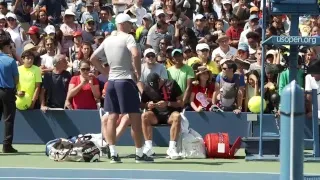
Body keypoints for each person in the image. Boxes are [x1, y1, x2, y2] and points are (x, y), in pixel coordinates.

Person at [90, 13, 152, 163]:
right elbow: (136, 54)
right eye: (129, 23)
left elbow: (92, 58)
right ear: (123, 24)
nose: (131, 26)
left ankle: (113, 153)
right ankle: (139, 154)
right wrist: (137, 73)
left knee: (112, 116)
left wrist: (105, 73)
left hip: (111, 83)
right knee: (134, 117)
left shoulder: (108, 40)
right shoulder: (128, 37)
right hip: (126, 81)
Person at [141, 73, 184, 160]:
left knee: (177, 116)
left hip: (170, 113)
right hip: (155, 115)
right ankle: (149, 148)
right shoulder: (147, 87)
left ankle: (172, 148)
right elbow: (141, 104)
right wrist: (147, 105)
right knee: (144, 116)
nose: (156, 88)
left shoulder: (172, 83)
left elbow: (181, 102)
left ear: (160, 80)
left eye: (157, 85)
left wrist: (168, 103)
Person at [0, 30, 19, 153]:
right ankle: (7, 146)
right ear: (6, 47)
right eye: (10, 46)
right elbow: (16, 79)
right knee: (8, 119)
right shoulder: (10, 61)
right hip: (7, 92)